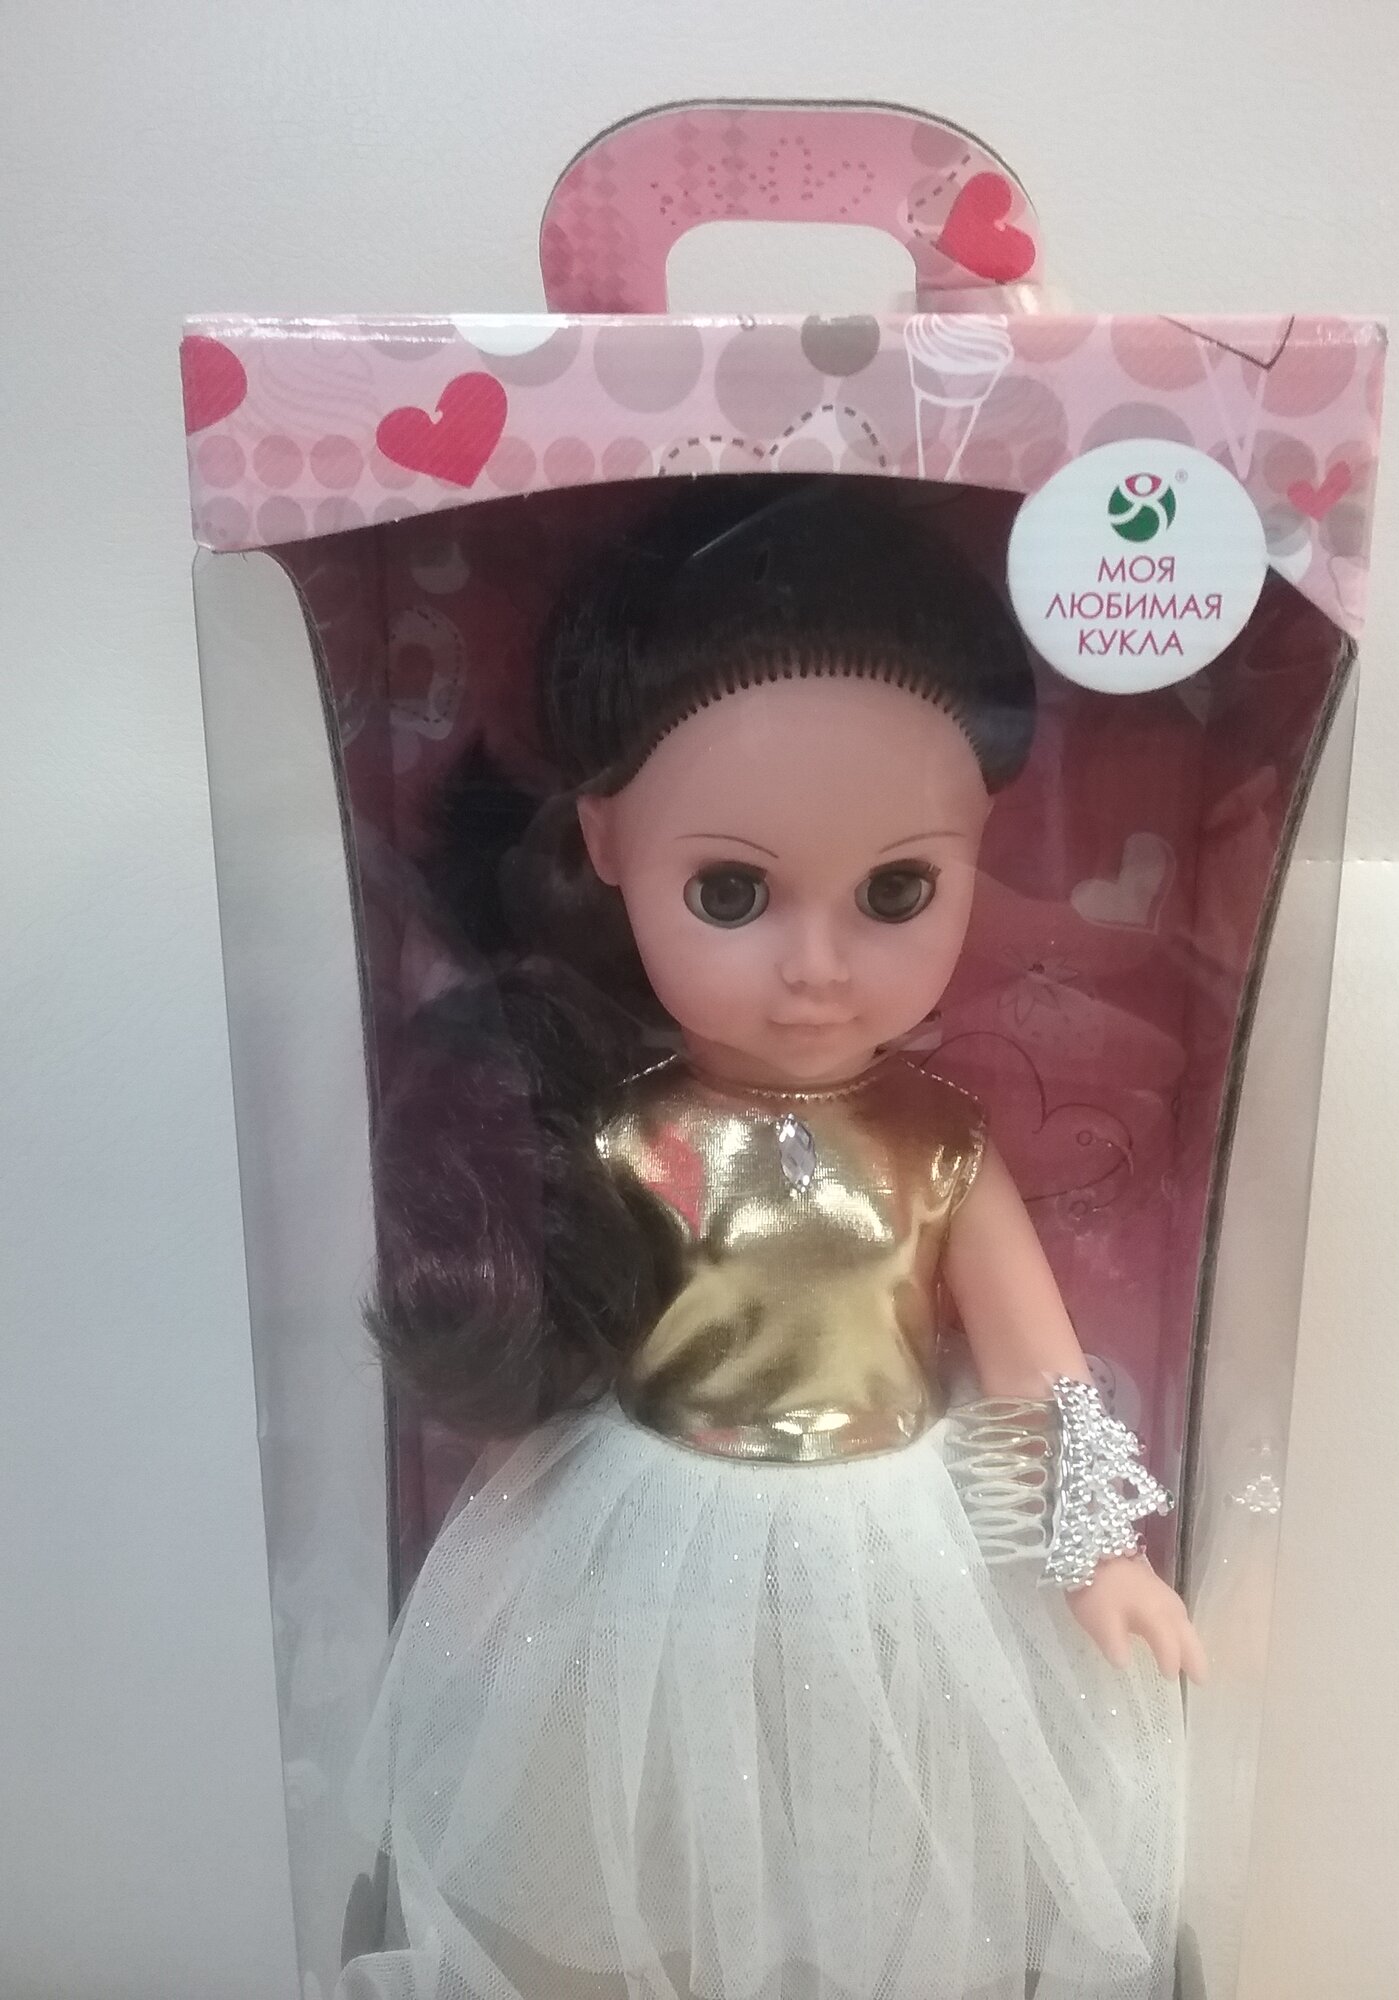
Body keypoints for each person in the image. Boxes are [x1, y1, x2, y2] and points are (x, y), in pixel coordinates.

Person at [336, 477, 1202, 2000]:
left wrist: (1101, 1555)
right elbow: (550, 1368)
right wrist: (486, 1568)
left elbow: (1040, 1372)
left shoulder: (938, 1144)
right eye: (732, 892)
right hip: (650, 1537)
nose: (818, 967)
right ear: (607, 841)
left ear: (979, 848)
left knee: (873, 1826)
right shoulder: (615, 1133)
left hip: (900, 1546)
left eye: (895, 891)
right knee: (647, 1834)